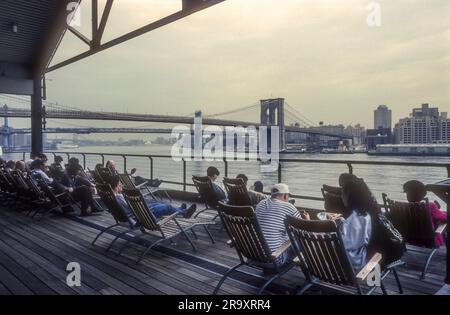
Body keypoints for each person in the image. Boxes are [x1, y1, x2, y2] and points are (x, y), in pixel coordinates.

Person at [255, 183, 309, 266]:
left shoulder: (261, 204)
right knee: (303, 238)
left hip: (255, 254)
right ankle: (309, 270)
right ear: (285, 196)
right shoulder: (289, 206)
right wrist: (307, 220)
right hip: (274, 258)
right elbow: (303, 230)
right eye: (288, 196)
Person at [108, 176, 196, 219]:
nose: (121, 185)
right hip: (143, 216)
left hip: (138, 214)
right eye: (119, 184)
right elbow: (133, 208)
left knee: (158, 203)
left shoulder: (112, 196)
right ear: (116, 186)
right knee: (167, 207)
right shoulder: (119, 197)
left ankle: (180, 210)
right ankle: (185, 213)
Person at [337, 177, 372, 270]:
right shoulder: (367, 215)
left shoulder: (354, 219)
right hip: (357, 262)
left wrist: (341, 224)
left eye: (342, 193)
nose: (341, 196)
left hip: (349, 265)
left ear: (350, 196)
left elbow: (346, 244)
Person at [403, 180, 447, 247]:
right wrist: (439, 210)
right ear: (423, 194)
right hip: (430, 240)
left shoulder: (403, 208)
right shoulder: (430, 206)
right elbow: (444, 218)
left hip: (410, 239)